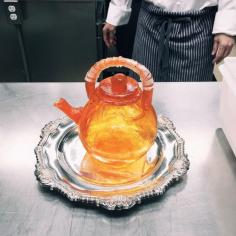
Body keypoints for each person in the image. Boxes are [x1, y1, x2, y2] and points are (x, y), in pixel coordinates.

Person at [103, 0, 236, 81]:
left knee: (190, 98)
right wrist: (118, 8)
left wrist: (228, 21)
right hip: (150, 22)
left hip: (198, 24)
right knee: (142, 92)